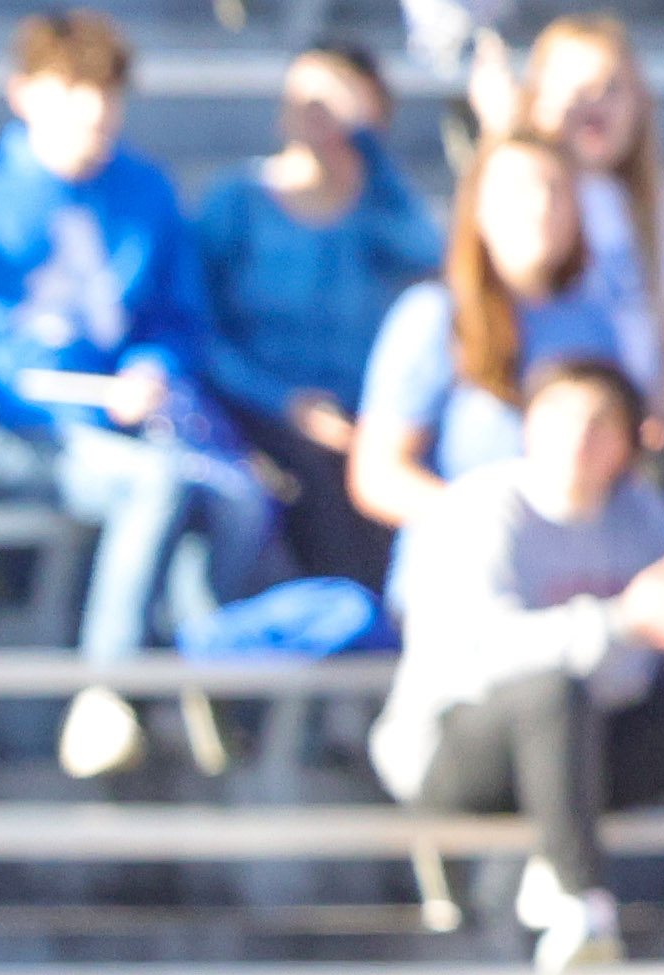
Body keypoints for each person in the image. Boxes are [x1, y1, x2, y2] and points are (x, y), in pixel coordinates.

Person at [0, 11, 263, 783]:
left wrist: (152, 367)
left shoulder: (146, 193)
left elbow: (172, 320)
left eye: (106, 94)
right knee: (158, 485)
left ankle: (190, 672)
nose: (93, 113)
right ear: (24, 94)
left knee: (235, 501)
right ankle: (112, 690)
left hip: (117, 425)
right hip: (14, 429)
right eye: (73, 91)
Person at [379, 355, 664, 975]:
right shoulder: (481, 508)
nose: (580, 436)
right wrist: (619, 622)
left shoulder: (642, 512)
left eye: (601, 421)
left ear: (629, 441)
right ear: (527, 426)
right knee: (553, 691)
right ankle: (576, 901)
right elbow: (479, 655)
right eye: (561, 417)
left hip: (593, 744)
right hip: (456, 747)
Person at [191, 43, 434, 593]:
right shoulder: (236, 202)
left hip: (361, 415)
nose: (320, 111)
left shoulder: (379, 211)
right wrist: (285, 404)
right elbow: (199, 332)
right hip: (258, 412)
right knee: (316, 485)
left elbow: (433, 253)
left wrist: (367, 154)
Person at [351, 136, 625, 546]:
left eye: (555, 190)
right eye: (519, 191)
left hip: (575, 569)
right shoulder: (435, 316)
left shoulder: (592, 321)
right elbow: (378, 474)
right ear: (477, 208)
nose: (540, 207)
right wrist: (485, 523)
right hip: (467, 572)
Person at [479, 11, 664, 424]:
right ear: (536, 97)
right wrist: (503, 133)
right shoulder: (522, 196)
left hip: (636, 424)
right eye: (577, 91)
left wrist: (649, 425)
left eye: (611, 89)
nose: (595, 107)